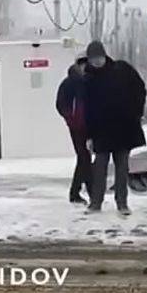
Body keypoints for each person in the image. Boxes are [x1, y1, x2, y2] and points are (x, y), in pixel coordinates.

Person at [82, 41, 147, 216]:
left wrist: (136, 112)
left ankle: (122, 203)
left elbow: (140, 89)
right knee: (100, 168)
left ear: (105, 56)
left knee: (122, 168)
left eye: (99, 57)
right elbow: (86, 109)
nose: (97, 62)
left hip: (123, 129)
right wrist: (88, 135)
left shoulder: (122, 70)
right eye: (93, 59)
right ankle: (96, 203)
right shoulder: (88, 79)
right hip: (101, 132)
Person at [55, 58, 92, 205]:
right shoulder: (69, 83)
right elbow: (60, 104)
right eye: (83, 65)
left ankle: (76, 192)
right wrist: (70, 118)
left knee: (84, 158)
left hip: (89, 126)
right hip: (76, 126)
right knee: (84, 157)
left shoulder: (88, 82)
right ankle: (88, 191)